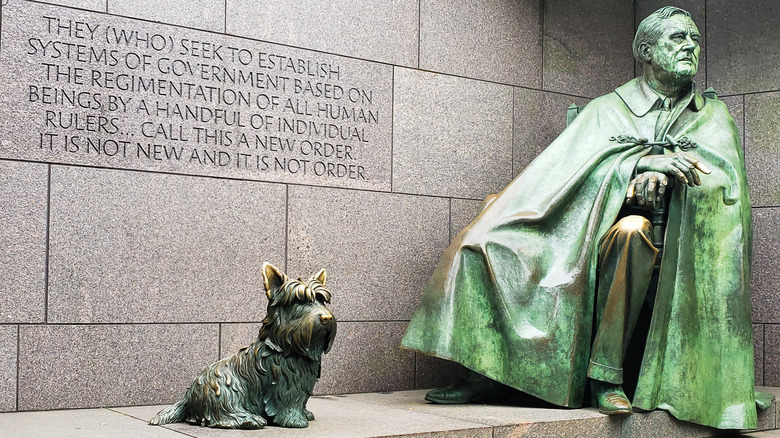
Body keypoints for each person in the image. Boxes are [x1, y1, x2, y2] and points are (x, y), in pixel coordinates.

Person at [401, 6, 766, 430]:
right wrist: (636, 168)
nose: (690, 47)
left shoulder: (711, 115)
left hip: (668, 243)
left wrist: (671, 179)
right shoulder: (607, 109)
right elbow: (559, 174)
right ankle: (484, 370)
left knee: (634, 232)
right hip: (580, 231)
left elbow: (727, 189)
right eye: (677, 39)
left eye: (694, 39)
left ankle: (605, 376)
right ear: (645, 52)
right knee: (481, 240)